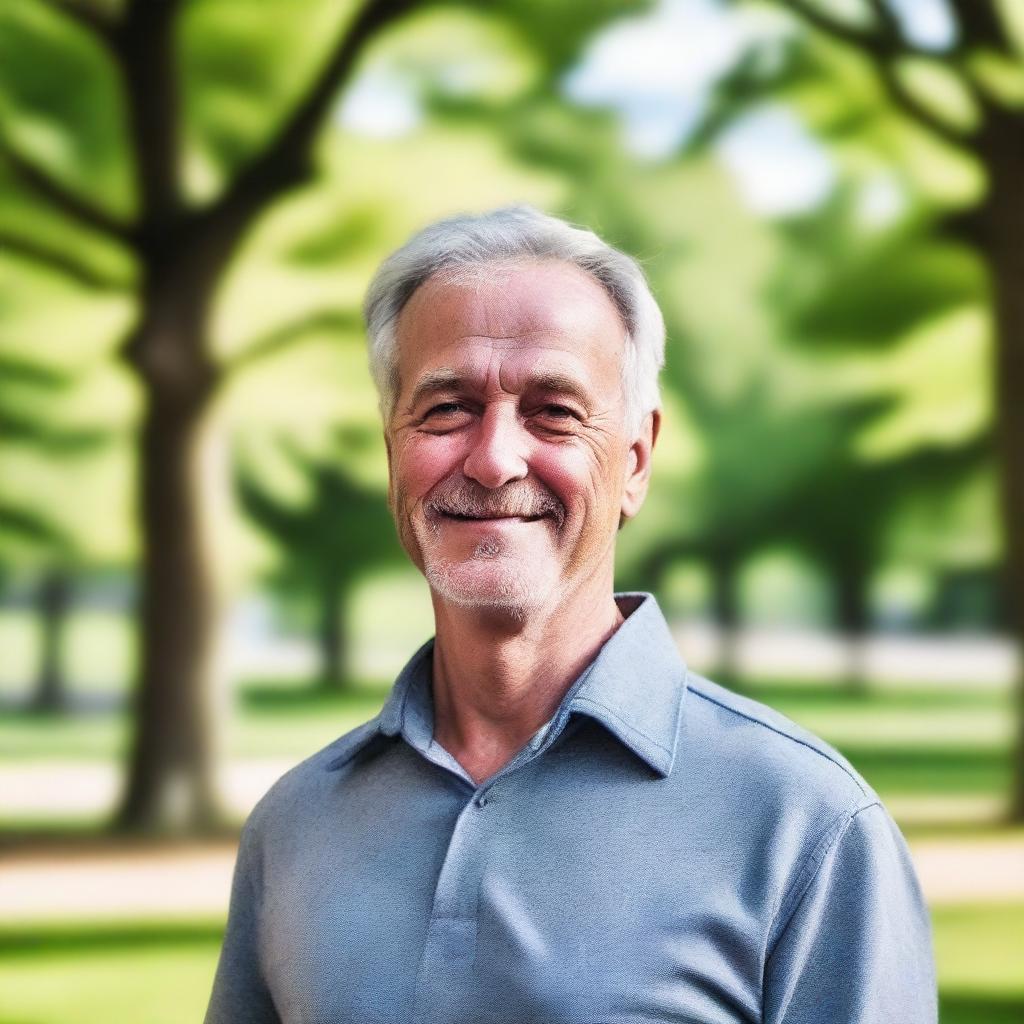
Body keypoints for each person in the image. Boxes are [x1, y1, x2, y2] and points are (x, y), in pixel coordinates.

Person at [205, 206, 937, 1024]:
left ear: (634, 460)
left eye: (553, 410)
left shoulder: (808, 826)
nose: (493, 458)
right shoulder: (296, 825)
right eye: (446, 407)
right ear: (391, 454)